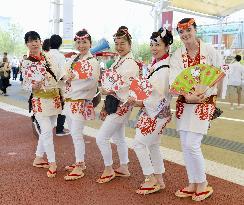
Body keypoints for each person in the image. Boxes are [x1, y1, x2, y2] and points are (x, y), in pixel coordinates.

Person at [170, 18, 224, 202]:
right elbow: (174, 79)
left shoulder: (209, 50)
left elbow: (219, 72)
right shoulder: (178, 54)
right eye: (181, 32)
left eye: (188, 31)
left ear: (195, 30)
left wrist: (210, 93)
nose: (185, 35)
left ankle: (203, 183)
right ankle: (192, 182)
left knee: (192, 143)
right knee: (185, 144)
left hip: (204, 102)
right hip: (185, 103)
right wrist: (187, 95)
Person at [129, 28, 173, 195]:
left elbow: (158, 95)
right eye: (152, 44)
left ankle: (150, 177)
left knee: (138, 144)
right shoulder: (158, 64)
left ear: (167, 46)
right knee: (153, 145)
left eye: (158, 45)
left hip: (155, 112)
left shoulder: (164, 68)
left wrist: (138, 102)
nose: (154, 48)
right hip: (156, 112)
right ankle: (159, 179)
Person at [96, 26, 139, 183]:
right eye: (117, 43)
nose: (119, 47)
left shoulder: (130, 63)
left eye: (122, 43)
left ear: (129, 44)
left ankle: (108, 168)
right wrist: (105, 105)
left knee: (101, 138)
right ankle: (124, 167)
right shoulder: (119, 61)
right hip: (116, 103)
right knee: (119, 137)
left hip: (122, 104)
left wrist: (107, 91)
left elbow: (120, 85)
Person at [22, 31, 62, 178]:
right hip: (39, 100)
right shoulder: (26, 62)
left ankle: (39, 157)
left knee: (50, 128)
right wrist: (33, 86)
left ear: (40, 41)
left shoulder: (49, 57)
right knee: (46, 130)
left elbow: (58, 73)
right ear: (27, 44)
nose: (34, 43)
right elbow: (25, 85)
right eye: (30, 41)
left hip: (54, 98)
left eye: (36, 40)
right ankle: (52, 162)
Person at [62, 29, 100, 180]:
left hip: (80, 102)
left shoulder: (93, 62)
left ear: (90, 43)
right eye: (78, 42)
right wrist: (67, 77)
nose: (81, 45)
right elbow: (63, 74)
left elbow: (92, 82)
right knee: (73, 132)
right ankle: (79, 162)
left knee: (77, 134)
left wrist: (74, 78)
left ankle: (79, 164)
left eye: (84, 42)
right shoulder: (72, 59)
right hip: (69, 101)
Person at [49, 34, 69, 136]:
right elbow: (62, 73)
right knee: (62, 107)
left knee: (48, 107)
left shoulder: (45, 55)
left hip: (47, 86)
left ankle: (44, 128)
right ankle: (59, 129)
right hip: (59, 86)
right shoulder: (61, 56)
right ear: (60, 44)